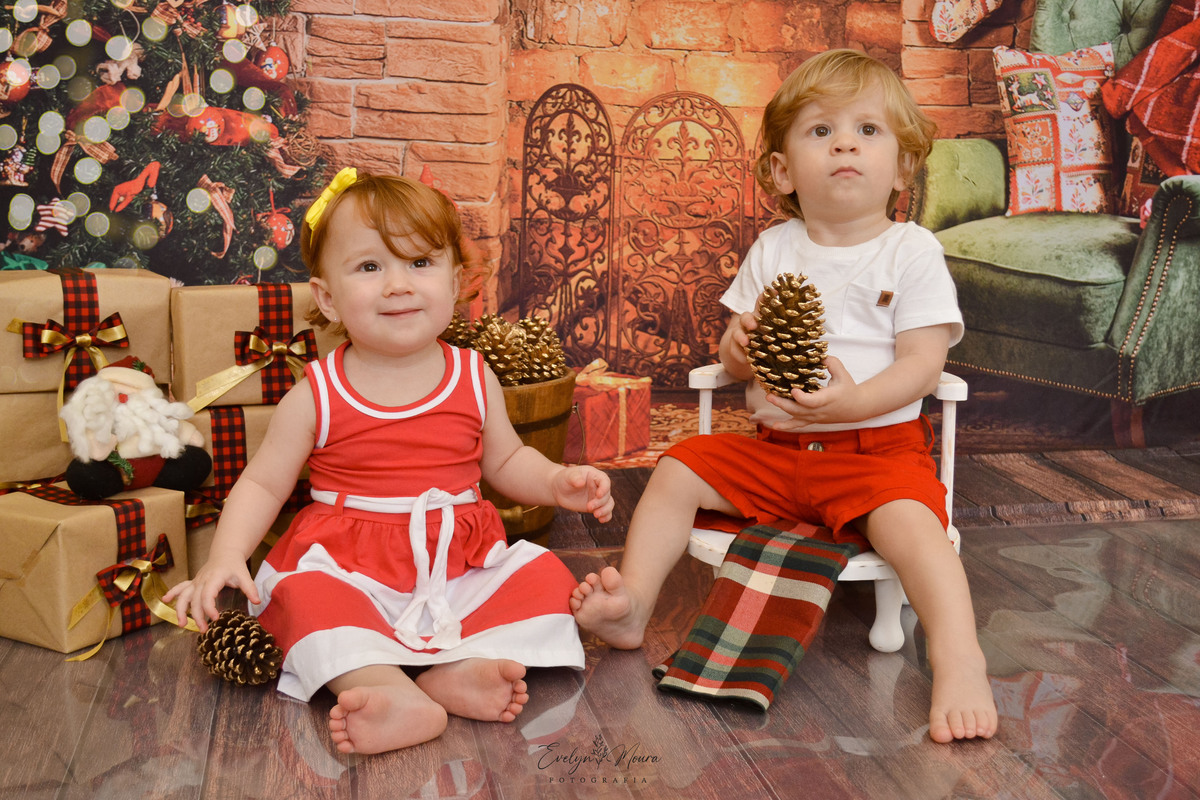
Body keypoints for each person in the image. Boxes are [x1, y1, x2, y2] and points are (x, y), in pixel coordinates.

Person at [570, 49, 998, 743]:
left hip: (875, 454)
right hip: (777, 452)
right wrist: (736, 352)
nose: (846, 144)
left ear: (904, 166)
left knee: (919, 536)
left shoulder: (911, 251)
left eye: (868, 130)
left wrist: (851, 405)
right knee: (679, 468)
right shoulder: (774, 248)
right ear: (781, 169)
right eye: (820, 131)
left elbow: (924, 365)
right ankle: (635, 604)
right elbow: (736, 350)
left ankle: (958, 659)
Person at [166, 168, 614, 755]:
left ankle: (462, 668)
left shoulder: (473, 376)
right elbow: (263, 482)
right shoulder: (318, 392)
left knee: (546, 577)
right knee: (300, 597)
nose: (398, 285)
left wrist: (557, 481)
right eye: (370, 267)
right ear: (327, 296)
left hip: (456, 561)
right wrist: (224, 557)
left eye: (420, 264)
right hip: (348, 564)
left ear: (457, 282)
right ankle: (378, 685)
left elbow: (505, 461)